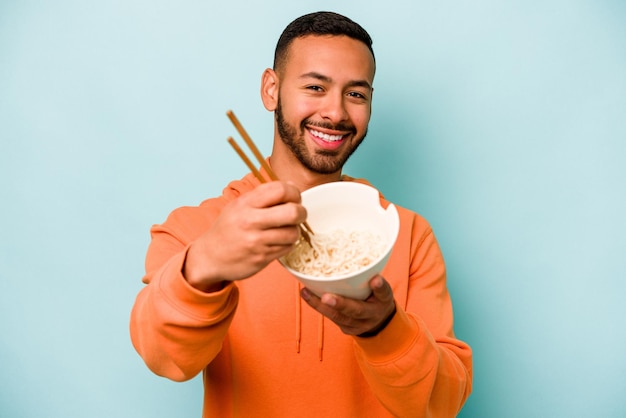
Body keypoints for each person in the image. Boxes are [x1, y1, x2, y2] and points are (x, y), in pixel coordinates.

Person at [130, 11, 472, 418]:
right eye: (315, 86)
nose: (336, 113)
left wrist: (382, 328)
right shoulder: (195, 229)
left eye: (357, 94)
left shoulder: (406, 234)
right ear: (271, 89)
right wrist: (206, 264)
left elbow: (443, 403)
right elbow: (164, 357)